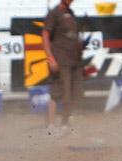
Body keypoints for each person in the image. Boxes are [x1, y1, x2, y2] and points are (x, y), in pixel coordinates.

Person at [41, 0, 82, 132]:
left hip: (73, 60)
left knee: (72, 93)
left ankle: (66, 123)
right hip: (60, 59)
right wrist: (51, 58)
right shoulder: (54, 13)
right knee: (58, 92)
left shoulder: (71, 13)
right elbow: (45, 35)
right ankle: (52, 125)